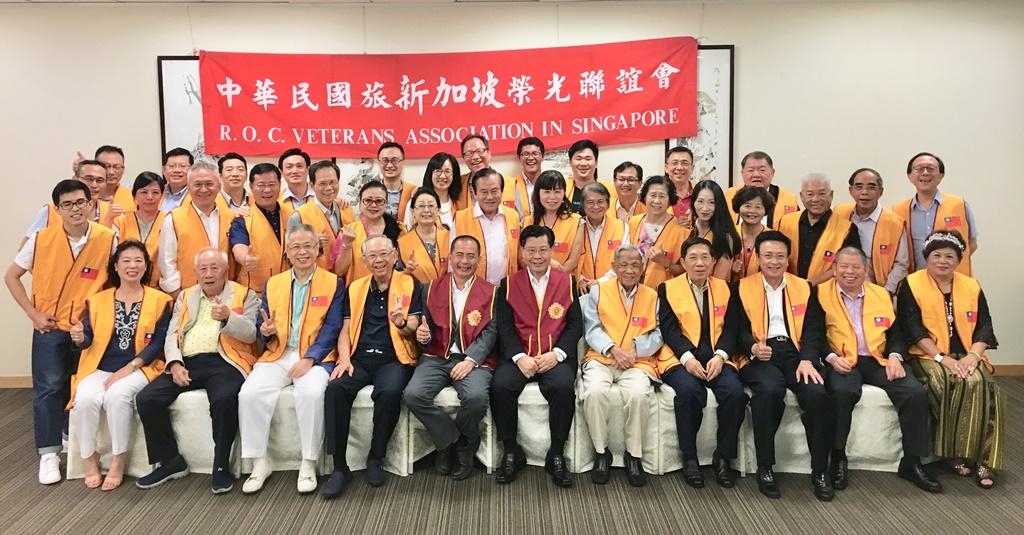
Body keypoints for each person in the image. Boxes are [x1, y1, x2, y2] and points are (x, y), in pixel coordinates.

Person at [6, 179, 117, 485]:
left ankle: (73, 440)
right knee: (49, 388)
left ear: (91, 204)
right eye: (67, 204)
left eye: (80, 202)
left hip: (87, 327)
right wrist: (33, 313)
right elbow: (12, 277)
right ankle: (49, 454)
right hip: (50, 326)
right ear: (57, 210)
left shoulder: (108, 239)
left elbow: (117, 281)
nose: (75, 209)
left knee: (81, 387)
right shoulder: (41, 239)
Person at [134, 247, 259, 494]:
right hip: (188, 361)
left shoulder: (245, 294)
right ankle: (170, 461)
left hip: (226, 361)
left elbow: (251, 334)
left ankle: (221, 464)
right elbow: (172, 334)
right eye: (203, 269)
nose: (208, 274)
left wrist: (228, 318)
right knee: (146, 398)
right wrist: (174, 363)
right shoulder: (185, 296)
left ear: (226, 271)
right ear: (196, 272)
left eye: (214, 268)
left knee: (224, 398)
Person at [818, 246, 939, 493]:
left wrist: (895, 356)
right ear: (834, 269)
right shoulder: (819, 294)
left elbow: (896, 332)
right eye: (844, 266)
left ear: (866, 270)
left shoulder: (880, 294)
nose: (849, 272)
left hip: (878, 359)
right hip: (842, 360)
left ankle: (912, 461)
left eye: (856, 267)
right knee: (841, 393)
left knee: (914, 393)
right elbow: (813, 334)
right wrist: (830, 357)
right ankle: (838, 457)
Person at [239, 224, 347, 495]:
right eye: (296, 247)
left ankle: (308, 462)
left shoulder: (333, 282)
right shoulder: (273, 284)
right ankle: (259, 462)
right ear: (287, 252)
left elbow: (333, 327)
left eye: (308, 246)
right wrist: (265, 332)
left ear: (317, 249)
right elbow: (263, 324)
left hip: (316, 356)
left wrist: (310, 359)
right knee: (249, 393)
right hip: (278, 352)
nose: (302, 252)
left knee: (311, 393)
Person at [731, 230, 833, 501]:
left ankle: (820, 470)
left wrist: (808, 359)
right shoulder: (741, 287)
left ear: (788, 259)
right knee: (769, 391)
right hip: (759, 354)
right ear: (758, 258)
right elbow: (736, 329)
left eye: (780, 256)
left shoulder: (804, 287)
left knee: (817, 393)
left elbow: (814, 329)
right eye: (768, 256)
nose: (774, 262)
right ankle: (765, 467)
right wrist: (752, 347)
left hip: (796, 353)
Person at [897, 230, 1002, 489]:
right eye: (937, 255)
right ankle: (955, 452)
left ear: (958, 260)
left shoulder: (971, 285)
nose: (942, 261)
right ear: (927, 257)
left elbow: (984, 325)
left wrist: (973, 356)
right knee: (946, 382)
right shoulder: (911, 284)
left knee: (985, 386)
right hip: (928, 355)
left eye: (949, 256)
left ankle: (984, 459)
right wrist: (942, 358)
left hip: (967, 354)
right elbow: (912, 328)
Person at [321, 234, 423, 497]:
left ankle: (376, 457)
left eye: (384, 254)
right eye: (372, 256)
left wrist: (401, 323)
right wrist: (344, 359)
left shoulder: (410, 284)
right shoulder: (355, 288)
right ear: (364, 261)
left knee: (389, 392)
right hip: (359, 358)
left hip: (394, 357)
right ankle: (339, 467)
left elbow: (414, 326)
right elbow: (345, 329)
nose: (379, 260)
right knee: (335, 389)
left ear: (394, 256)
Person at [68, 241, 172, 491]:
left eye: (138, 260)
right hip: (100, 367)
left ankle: (118, 460)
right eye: (126, 261)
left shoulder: (161, 300)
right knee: (85, 399)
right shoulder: (97, 301)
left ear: (146, 266)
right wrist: (80, 337)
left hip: (142, 367)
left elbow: (159, 342)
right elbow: (88, 339)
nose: (132, 266)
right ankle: (88, 458)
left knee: (117, 396)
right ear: (115, 266)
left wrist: (130, 367)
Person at [492, 225, 582, 487]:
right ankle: (511, 451)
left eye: (543, 250)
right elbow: (505, 326)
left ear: (551, 251)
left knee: (563, 387)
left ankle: (556, 453)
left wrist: (558, 354)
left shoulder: (567, 282)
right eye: (531, 251)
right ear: (522, 252)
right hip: (520, 356)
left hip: (554, 356)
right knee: (500, 386)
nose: (537, 256)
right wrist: (519, 357)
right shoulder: (509, 284)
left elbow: (575, 325)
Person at [403, 235, 495, 480]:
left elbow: (491, 332)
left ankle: (464, 445)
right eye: (460, 255)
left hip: (473, 360)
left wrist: (471, 360)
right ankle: (451, 441)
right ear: (450, 258)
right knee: (413, 395)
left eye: (471, 256)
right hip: (436, 356)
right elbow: (424, 327)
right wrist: (422, 336)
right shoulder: (430, 288)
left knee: (476, 397)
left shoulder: (491, 291)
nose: (464, 261)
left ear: (479, 259)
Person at [658, 237, 746, 489]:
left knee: (735, 394)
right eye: (693, 258)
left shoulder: (726, 288)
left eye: (705, 257)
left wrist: (721, 356)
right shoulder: (668, 288)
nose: (699, 263)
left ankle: (723, 457)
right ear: (683, 261)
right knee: (689, 392)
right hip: (680, 357)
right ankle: (690, 458)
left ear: (713, 261)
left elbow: (731, 328)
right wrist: (687, 359)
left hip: (718, 357)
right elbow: (669, 330)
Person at [580, 244, 665, 487]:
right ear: (614, 267)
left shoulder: (652, 295)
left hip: (637, 361)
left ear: (643, 268)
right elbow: (591, 328)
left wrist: (635, 351)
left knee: (638, 395)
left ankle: (634, 455)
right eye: (624, 265)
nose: (629, 270)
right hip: (603, 357)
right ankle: (601, 452)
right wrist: (613, 350)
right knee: (594, 392)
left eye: (635, 265)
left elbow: (659, 333)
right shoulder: (598, 291)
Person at [158, 157, 235, 297]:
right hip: (189, 295)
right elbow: (166, 263)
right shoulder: (173, 219)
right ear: (188, 187)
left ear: (219, 186)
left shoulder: (232, 217)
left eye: (209, 184)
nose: (203, 189)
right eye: (197, 184)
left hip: (228, 295)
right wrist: (179, 296)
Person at [893, 152, 978, 275]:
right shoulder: (898, 210)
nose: (925, 172)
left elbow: (972, 244)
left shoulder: (959, 204)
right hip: (914, 281)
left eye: (931, 168)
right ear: (909, 176)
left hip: (954, 280)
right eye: (919, 168)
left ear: (941, 175)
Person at [777, 173, 860, 286]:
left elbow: (847, 265)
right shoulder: (786, 222)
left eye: (822, 193)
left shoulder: (847, 228)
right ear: (801, 196)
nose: (815, 199)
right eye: (810, 194)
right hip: (788, 288)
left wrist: (810, 284)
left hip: (827, 290)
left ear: (831, 195)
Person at [840, 168, 909, 294]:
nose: (864, 192)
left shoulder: (894, 223)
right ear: (851, 191)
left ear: (881, 192)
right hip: (842, 291)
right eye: (859, 187)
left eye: (871, 187)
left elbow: (901, 264)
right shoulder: (840, 214)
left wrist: (886, 292)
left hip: (880, 290)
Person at [229, 163, 292, 293]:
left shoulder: (292, 215)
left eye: (272, 184)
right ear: (251, 187)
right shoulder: (243, 218)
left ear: (280, 185)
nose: (267, 190)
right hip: (255, 292)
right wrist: (245, 258)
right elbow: (238, 246)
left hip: (288, 289)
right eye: (261, 185)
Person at [22, 160, 115, 247]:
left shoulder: (113, 212)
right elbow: (27, 249)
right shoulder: (50, 211)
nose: (94, 185)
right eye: (88, 179)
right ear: (75, 179)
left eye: (100, 180)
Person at [453, 168, 521, 285]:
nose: (489, 197)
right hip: (473, 287)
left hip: (506, 287)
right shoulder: (460, 218)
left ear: (502, 191)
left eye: (494, 191)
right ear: (474, 193)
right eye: (484, 192)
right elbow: (453, 260)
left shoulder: (513, 216)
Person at [333, 180, 403, 285]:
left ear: (386, 203)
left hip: (393, 290)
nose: (373, 205)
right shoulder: (347, 231)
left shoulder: (400, 229)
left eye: (379, 201)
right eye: (368, 200)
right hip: (358, 290)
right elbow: (339, 271)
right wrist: (347, 245)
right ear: (360, 202)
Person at [291, 160, 357, 271]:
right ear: (312, 185)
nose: (329, 188)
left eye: (332, 182)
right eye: (322, 183)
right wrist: (311, 246)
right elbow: (289, 258)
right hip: (317, 277)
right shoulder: (299, 216)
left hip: (349, 276)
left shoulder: (346, 209)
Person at [629, 176, 686, 289]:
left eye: (662, 196)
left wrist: (666, 263)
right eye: (653, 195)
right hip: (633, 290)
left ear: (670, 200)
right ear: (645, 197)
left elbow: (686, 271)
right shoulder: (633, 222)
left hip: (664, 292)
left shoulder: (681, 231)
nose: (657, 201)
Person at [113, 173, 167, 288]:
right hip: (124, 286)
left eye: (155, 192)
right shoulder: (120, 222)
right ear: (134, 195)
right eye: (144, 192)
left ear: (162, 196)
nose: (150, 197)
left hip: (160, 288)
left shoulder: (169, 221)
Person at [524, 170, 583, 273]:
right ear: (538, 193)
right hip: (534, 279)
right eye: (547, 191)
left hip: (563, 279)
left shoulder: (577, 221)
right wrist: (549, 262)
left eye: (557, 191)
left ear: (564, 193)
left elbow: (573, 261)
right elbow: (523, 258)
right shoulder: (528, 221)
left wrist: (555, 278)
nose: (552, 197)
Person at [576, 182, 629, 294]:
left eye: (600, 201)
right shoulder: (575, 227)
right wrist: (579, 277)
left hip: (612, 289)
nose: (596, 206)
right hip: (581, 290)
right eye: (590, 202)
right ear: (583, 205)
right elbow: (567, 259)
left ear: (608, 204)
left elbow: (625, 260)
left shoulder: (622, 227)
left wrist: (600, 282)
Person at [724, 151, 800, 228]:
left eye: (762, 170)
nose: (756, 175)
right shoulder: (729, 195)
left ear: (772, 173)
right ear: (742, 173)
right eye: (750, 170)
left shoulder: (788, 199)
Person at [689, 180, 741, 280]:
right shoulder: (689, 229)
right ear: (693, 202)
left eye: (712, 202)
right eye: (700, 201)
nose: (705, 208)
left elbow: (719, 280)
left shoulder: (725, 237)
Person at [397, 189, 451, 283]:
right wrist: (407, 272)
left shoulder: (450, 237)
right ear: (413, 211)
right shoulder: (403, 242)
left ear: (438, 210)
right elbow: (397, 279)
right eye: (421, 206)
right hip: (417, 291)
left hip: (447, 290)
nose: (426, 210)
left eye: (431, 205)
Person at [402, 152, 462, 230]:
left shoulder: (460, 204)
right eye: (438, 171)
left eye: (447, 171)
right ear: (430, 173)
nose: (442, 176)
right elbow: (407, 232)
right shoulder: (416, 203)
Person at [732, 186, 775, 279]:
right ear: (739, 207)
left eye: (758, 207)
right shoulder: (730, 234)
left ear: (765, 210)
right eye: (747, 206)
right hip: (731, 287)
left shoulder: (773, 238)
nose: (752, 211)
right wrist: (729, 267)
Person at [566, 139, 615, 214]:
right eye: (578, 159)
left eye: (588, 159)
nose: (583, 163)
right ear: (570, 162)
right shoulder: (562, 189)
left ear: (596, 162)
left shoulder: (611, 189)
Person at [503, 137, 545, 219]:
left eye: (535, 153)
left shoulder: (551, 184)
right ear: (519, 157)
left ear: (543, 156)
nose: (530, 158)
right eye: (526, 154)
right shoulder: (509, 185)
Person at [376, 142, 417, 222]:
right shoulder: (369, 192)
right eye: (385, 160)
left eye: (394, 160)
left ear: (403, 162)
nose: (389, 165)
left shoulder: (414, 192)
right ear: (379, 163)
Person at [95, 145, 136, 214]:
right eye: (106, 166)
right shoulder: (85, 196)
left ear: (123, 170)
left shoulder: (133, 196)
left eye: (116, 167)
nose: (111, 172)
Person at [457, 134, 492, 208]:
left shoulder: (510, 184)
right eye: (469, 153)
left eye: (479, 151)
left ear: (489, 153)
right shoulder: (457, 185)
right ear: (463, 158)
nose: (475, 157)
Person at [665, 146, 696, 227]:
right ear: (666, 168)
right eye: (674, 163)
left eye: (685, 163)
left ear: (692, 168)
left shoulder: (701, 192)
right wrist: (673, 227)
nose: (679, 168)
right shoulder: (657, 195)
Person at [159, 147, 194, 212]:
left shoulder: (198, 194)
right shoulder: (158, 192)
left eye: (182, 166)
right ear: (163, 170)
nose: (177, 170)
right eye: (171, 166)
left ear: (192, 170)